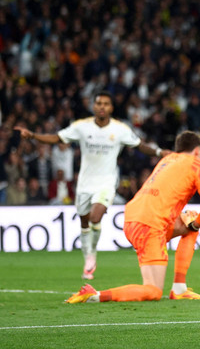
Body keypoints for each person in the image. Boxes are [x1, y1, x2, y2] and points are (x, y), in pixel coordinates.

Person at [14, 91, 171, 280]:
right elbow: (57, 138)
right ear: (94, 106)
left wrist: (160, 151)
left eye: (106, 103)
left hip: (106, 182)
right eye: (99, 103)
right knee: (84, 222)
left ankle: (92, 254)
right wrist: (32, 136)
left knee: (96, 216)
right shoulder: (82, 127)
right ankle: (88, 255)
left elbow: (139, 145)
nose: (102, 106)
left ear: (111, 108)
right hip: (84, 184)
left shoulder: (120, 129)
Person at [65, 130, 200, 303]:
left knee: (189, 223)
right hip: (151, 225)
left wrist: (191, 223)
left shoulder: (167, 160)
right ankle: (95, 295)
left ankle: (179, 288)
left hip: (133, 218)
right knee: (153, 291)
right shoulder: (196, 163)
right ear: (197, 151)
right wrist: (197, 224)